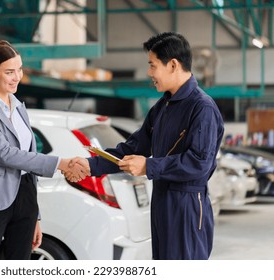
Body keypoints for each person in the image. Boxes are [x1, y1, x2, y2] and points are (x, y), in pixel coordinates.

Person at [69, 32, 224, 260]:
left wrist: (149, 166)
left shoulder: (202, 108)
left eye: (152, 66)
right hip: (162, 199)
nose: (149, 73)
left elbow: (199, 163)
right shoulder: (162, 107)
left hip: (187, 205)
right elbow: (132, 148)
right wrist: (90, 165)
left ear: (173, 65)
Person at [0, 40, 87, 260]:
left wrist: (35, 215)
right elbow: (5, 153)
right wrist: (61, 163)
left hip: (25, 197)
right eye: (9, 72)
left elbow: (27, 160)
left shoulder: (20, 106)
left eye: (19, 69)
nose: (17, 77)